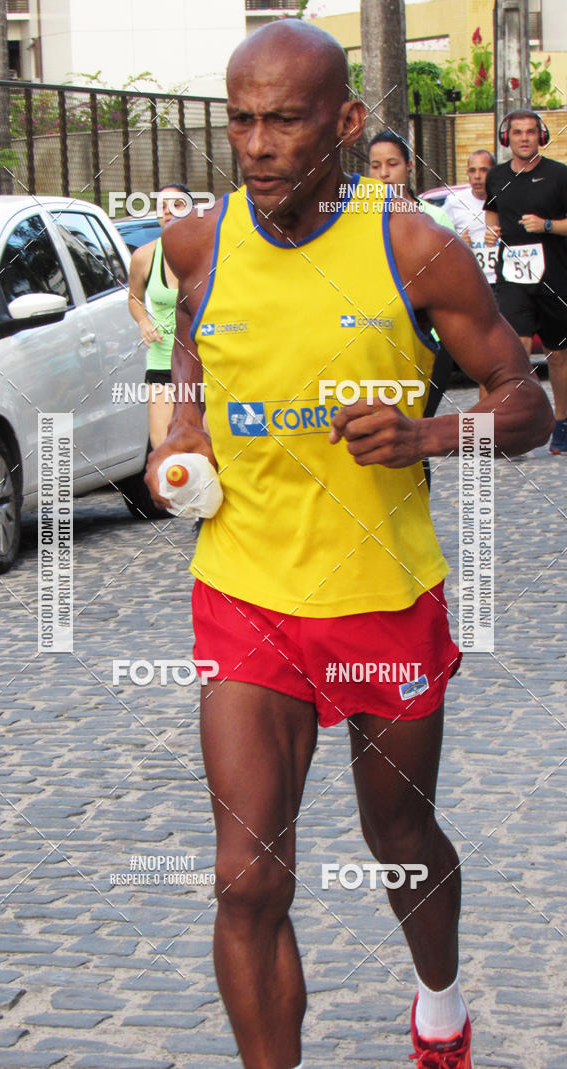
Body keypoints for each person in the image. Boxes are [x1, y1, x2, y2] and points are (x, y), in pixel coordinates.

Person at [146, 21, 553, 1069]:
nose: (258, 144)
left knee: (399, 840)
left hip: (380, 594)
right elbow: (189, 338)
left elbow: (527, 406)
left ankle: (442, 1004)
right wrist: (184, 428)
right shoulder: (202, 243)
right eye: (242, 120)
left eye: (285, 119)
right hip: (246, 591)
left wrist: (427, 433)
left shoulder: (412, 247)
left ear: (348, 120)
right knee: (247, 876)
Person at [367, 130, 456, 475]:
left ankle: (415, 521)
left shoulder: (435, 221)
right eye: (375, 166)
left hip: (427, 347)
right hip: (373, 346)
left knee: (412, 439)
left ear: (408, 167)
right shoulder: (351, 224)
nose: (384, 173)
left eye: (392, 164)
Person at [484, 110, 567, 454]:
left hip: (555, 277)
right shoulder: (496, 176)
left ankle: (562, 423)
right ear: (507, 138)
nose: (523, 138)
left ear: (540, 136)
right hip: (513, 277)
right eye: (517, 132)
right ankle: (514, 425)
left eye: (531, 132)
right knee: (513, 350)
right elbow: (491, 215)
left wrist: (547, 226)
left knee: (558, 356)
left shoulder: (560, 175)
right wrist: (491, 232)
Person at [128, 183, 190, 449]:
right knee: (164, 447)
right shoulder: (144, 256)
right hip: (162, 360)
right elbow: (134, 298)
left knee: (208, 449)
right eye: (162, 207)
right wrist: (144, 321)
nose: (168, 212)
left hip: (205, 362)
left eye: (176, 205)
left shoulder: (208, 254)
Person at [444, 150, 498, 286]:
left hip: (503, 281)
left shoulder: (506, 199)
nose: (477, 176)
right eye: (472, 171)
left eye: (483, 170)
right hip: (471, 282)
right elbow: (438, 240)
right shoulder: (454, 202)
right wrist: (458, 243)